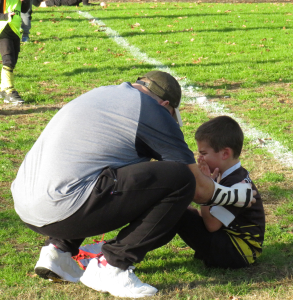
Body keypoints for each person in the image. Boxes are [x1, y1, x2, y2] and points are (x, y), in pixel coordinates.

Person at [12, 71, 255, 298]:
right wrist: (235, 195)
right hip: (65, 207)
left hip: (27, 205)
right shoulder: (153, 112)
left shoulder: (102, 93)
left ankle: (58, 252)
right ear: (165, 106)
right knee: (179, 178)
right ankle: (113, 264)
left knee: (105, 168)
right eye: (171, 117)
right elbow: (198, 190)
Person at [174, 116, 265, 269]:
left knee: (177, 212)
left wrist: (205, 192)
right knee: (180, 208)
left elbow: (211, 225)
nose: (199, 158)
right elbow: (207, 217)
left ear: (225, 153)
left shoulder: (238, 184)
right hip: (232, 244)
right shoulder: (225, 175)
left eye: (203, 153)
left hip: (239, 252)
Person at [0, 0, 30, 104]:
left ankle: (3, 89)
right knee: (8, 60)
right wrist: (5, 16)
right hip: (2, 30)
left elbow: (24, 9)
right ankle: (9, 91)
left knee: (13, 62)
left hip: (15, 30)